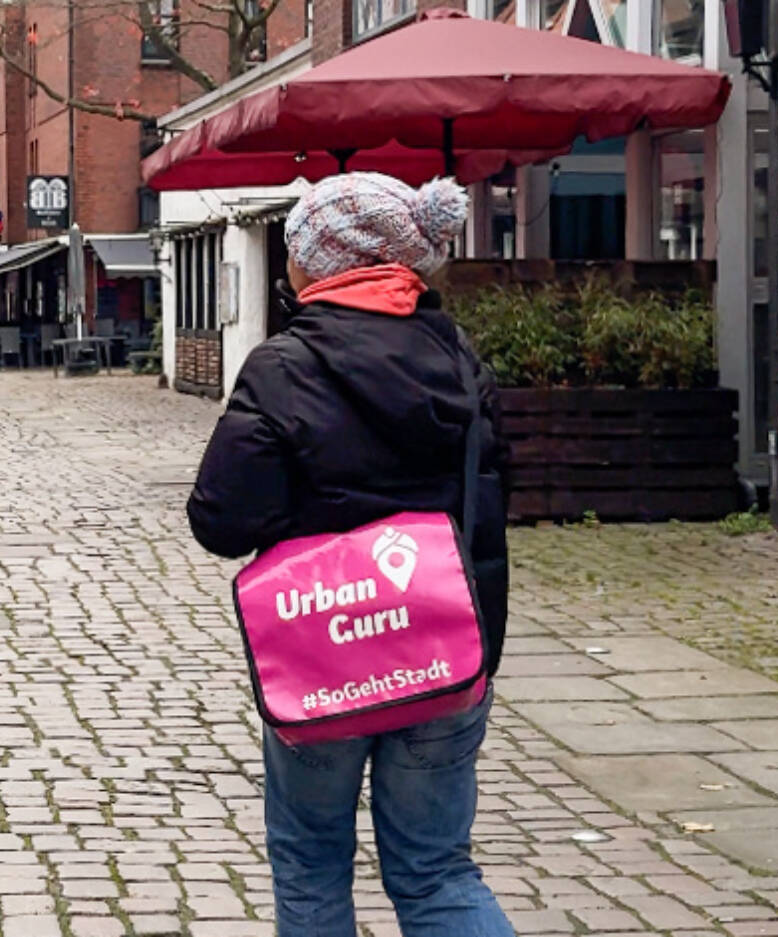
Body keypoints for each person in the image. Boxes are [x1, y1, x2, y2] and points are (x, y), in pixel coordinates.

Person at [186, 173, 512, 937]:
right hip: (445, 648)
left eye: (294, 250)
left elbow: (222, 519)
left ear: (319, 264)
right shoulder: (460, 359)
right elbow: (496, 497)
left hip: (321, 651)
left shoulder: (281, 367)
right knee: (437, 870)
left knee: (310, 864)